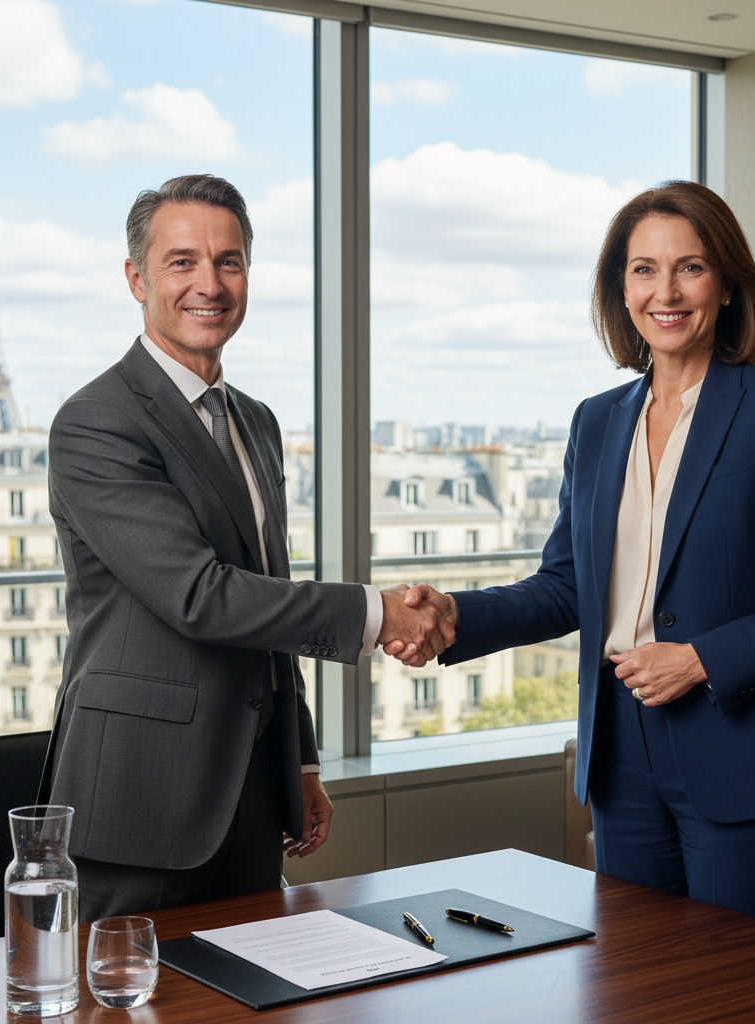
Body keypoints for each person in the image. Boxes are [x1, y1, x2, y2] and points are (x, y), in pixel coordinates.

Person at [385, 181, 755, 928]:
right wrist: (455, 615)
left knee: (735, 993)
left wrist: (703, 657)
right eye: (644, 269)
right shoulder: (596, 422)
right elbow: (563, 587)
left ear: (727, 283)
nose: (666, 291)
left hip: (740, 748)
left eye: (691, 267)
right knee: (635, 989)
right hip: (619, 753)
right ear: (621, 289)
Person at [40, 174, 454, 921]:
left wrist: (298, 758)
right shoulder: (95, 422)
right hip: (142, 799)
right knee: (127, 1006)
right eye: (182, 262)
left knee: (260, 997)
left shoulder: (255, 422)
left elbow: (269, 595)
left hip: (252, 796)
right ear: (136, 277)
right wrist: (379, 612)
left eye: (229, 262)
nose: (210, 284)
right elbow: (201, 596)